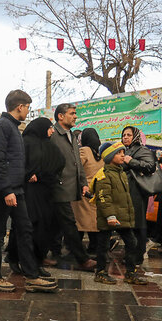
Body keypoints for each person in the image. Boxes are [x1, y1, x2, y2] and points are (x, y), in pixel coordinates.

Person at [0, 90, 57, 293]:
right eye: (28, 107)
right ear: (19, 107)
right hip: (2, 192)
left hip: (16, 189)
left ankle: (31, 276)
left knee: (25, 230)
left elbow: (13, 162)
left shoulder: (13, 128)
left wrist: (22, 179)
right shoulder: (2, 127)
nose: (28, 111)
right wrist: (6, 190)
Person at [6, 117, 65, 276]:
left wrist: (45, 175)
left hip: (45, 192)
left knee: (43, 226)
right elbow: (16, 164)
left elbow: (59, 162)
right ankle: (16, 258)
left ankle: (36, 261)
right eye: (50, 127)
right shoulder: (25, 143)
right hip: (28, 191)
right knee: (28, 226)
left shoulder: (48, 144)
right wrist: (27, 175)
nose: (52, 131)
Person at [92, 142, 148, 285]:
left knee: (132, 242)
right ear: (109, 156)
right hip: (109, 218)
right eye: (118, 153)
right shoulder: (103, 175)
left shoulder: (122, 173)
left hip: (122, 217)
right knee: (103, 246)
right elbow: (104, 199)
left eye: (123, 152)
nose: (123, 155)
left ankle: (130, 273)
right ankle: (100, 272)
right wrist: (110, 216)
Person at [49, 103, 96, 270]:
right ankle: (82, 259)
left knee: (55, 224)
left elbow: (78, 164)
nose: (75, 116)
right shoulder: (52, 135)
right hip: (58, 188)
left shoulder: (72, 136)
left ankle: (50, 254)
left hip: (71, 188)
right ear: (60, 116)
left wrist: (83, 184)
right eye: (72, 113)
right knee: (69, 223)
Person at [120, 125, 157, 268]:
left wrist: (131, 161)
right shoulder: (125, 150)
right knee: (130, 222)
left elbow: (150, 166)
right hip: (126, 191)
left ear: (135, 136)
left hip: (136, 191)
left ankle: (138, 255)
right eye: (124, 135)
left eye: (128, 135)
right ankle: (131, 252)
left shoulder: (142, 150)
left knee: (138, 223)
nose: (125, 137)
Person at [71, 128, 105, 253]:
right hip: (95, 190)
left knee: (79, 222)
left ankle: (76, 250)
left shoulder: (84, 150)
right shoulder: (100, 152)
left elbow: (76, 167)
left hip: (83, 190)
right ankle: (94, 248)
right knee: (93, 222)